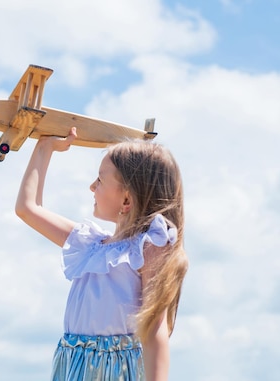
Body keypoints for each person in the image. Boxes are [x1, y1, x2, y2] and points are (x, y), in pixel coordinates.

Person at [15, 127, 188, 381]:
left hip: (117, 372)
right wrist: (45, 147)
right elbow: (27, 208)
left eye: (100, 180)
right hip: (72, 367)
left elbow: (154, 331)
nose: (92, 187)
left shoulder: (148, 247)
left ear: (126, 200)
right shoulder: (89, 244)